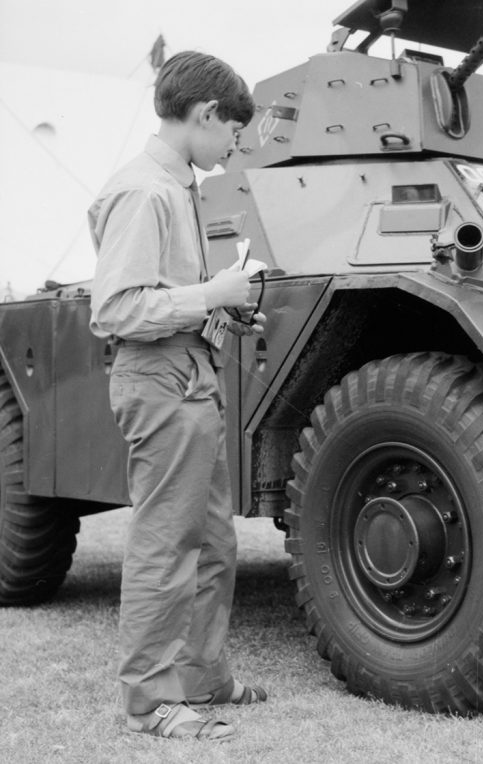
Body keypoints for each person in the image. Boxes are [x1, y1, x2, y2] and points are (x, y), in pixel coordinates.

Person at [89, 51, 267, 742]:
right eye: (232, 131)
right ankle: (151, 702)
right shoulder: (147, 191)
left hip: (186, 373)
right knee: (167, 545)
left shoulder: (175, 186)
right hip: (161, 380)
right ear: (205, 115)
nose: (235, 145)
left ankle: (202, 677)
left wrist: (219, 309)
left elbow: (159, 300)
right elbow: (116, 311)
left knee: (212, 542)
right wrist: (210, 294)